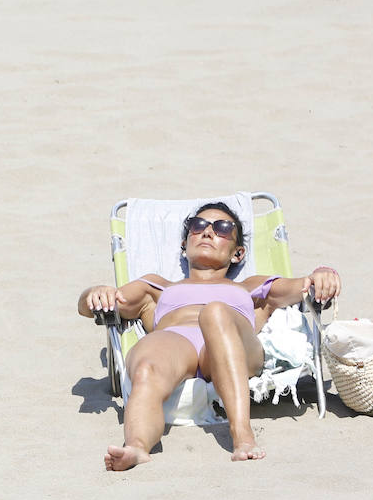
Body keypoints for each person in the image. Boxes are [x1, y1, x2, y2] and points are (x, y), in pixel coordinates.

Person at [78, 201, 341, 471]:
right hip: (176, 343)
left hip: (233, 344)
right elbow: (95, 305)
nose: (207, 232)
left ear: (237, 253)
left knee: (215, 313)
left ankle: (243, 438)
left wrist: (323, 275)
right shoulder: (156, 286)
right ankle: (136, 446)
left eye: (222, 228)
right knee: (146, 366)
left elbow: (304, 286)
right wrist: (95, 293)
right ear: (184, 244)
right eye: (198, 225)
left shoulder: (252, 286)